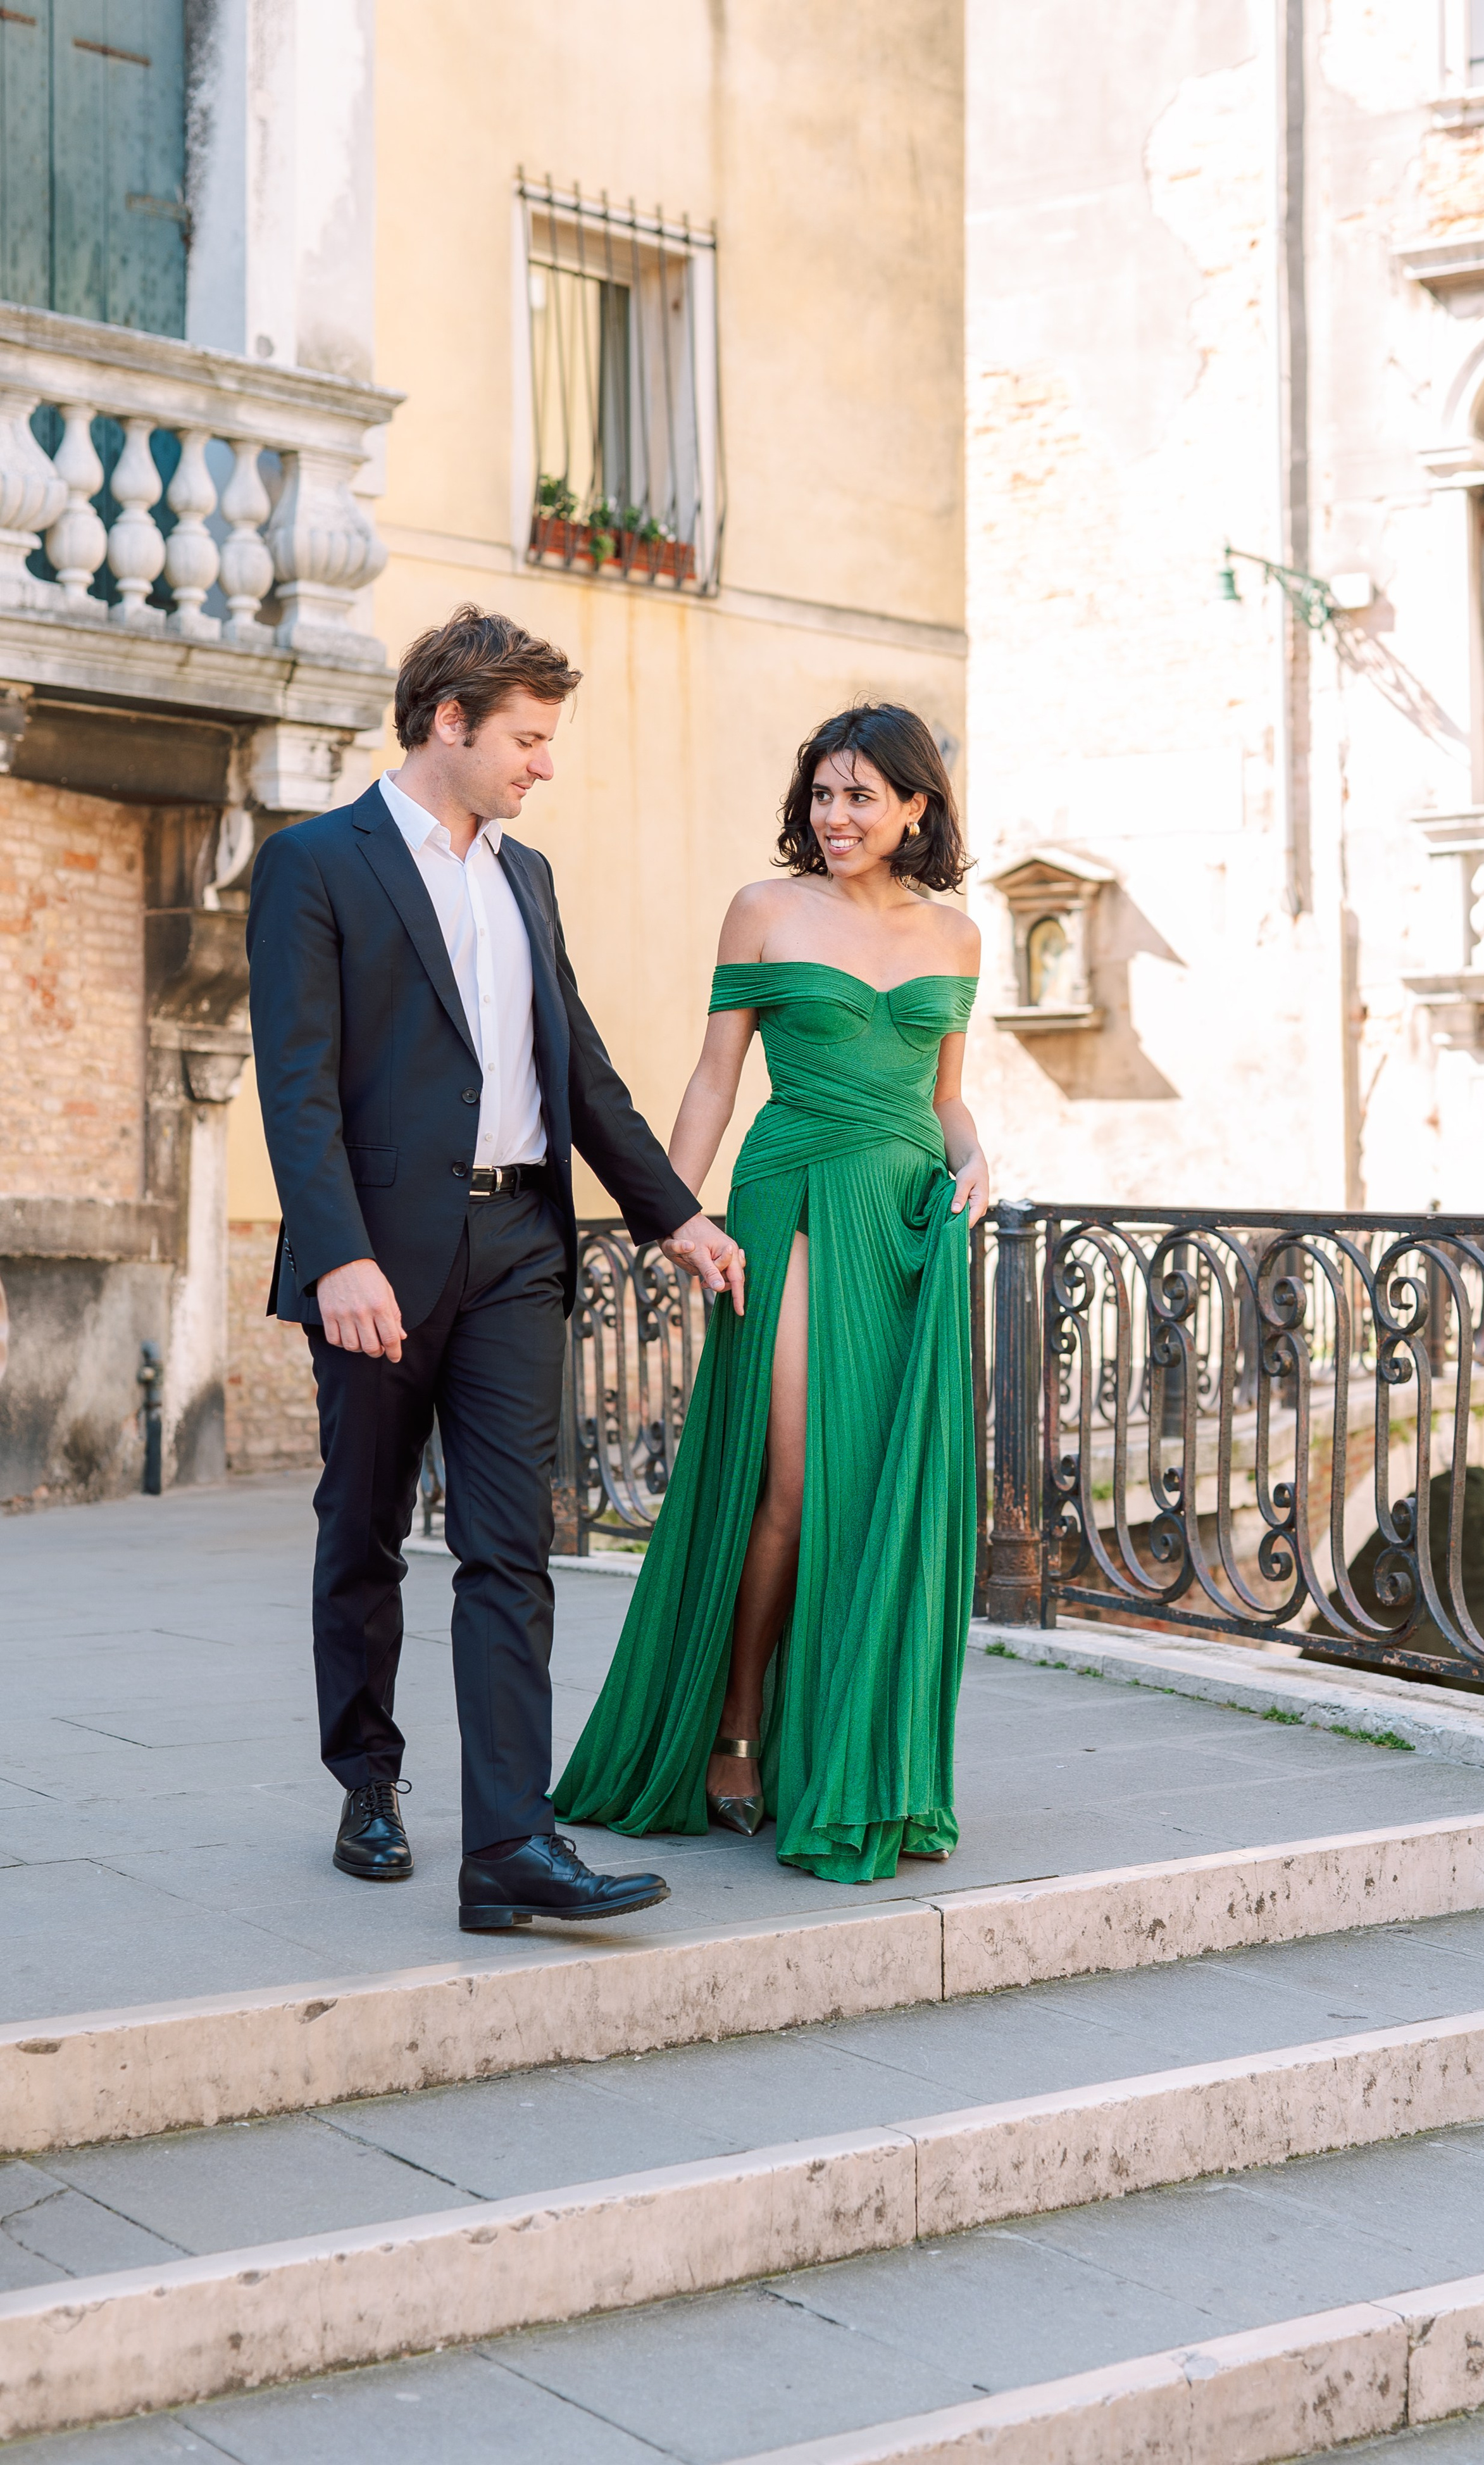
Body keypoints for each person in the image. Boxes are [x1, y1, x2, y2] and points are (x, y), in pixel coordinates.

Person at [246, 605, 742, 1931]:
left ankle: (510, 1847)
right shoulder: (317, 864)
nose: (544, 764)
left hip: (523, 1242)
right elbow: (296, 1089)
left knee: (508, 1546)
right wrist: (339, 1254)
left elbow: (576, 1069)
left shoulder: (526, 877)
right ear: (447, 722)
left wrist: (673, 1214)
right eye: (526, 738)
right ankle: (367, 1780)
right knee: (362, 1531)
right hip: (381, 1261)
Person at [556, 703, 988, 1885]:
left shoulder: (957, 937)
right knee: (791, 1477)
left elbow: (944, 1094)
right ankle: (734, 1728)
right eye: (822, 793)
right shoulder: (764, 909)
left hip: (907, 1218)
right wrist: (672, 1212)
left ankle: (855, 1752)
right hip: (791, 1198)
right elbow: (713, 1075)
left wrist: (978, 1158)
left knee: (886, 1489)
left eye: (860, 796)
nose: (835, 817)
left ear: (916, 807)